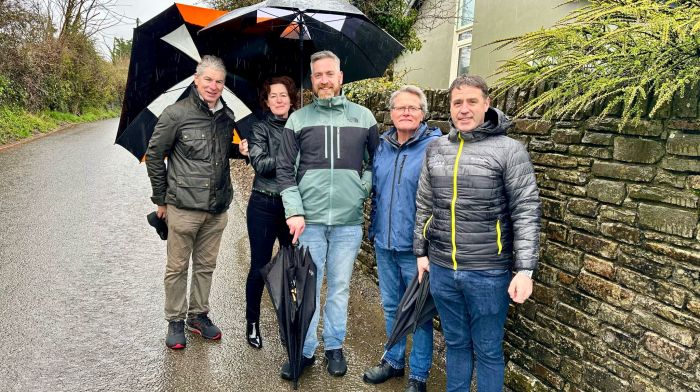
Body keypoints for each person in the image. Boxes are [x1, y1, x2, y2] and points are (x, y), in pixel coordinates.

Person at [413, 75, 541, 391]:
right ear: (450, 107)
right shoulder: (436, 149)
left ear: (487, 104)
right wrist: (421, 252)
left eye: (472, 101)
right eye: (458, 102)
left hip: (489, 272)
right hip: (443, 268)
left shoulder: (510, 150)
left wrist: (524, 269)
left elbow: (526, 211)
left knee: (487, 351)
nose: (465, 109)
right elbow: (425, 204)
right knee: (455, 344)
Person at [276, 50, 379, 379]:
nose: (324, 80)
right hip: (310, 222)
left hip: (348, 223)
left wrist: (361, 188)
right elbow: (284, 170)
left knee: (339, 287)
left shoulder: (364, 117)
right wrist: (293, 210)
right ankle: (304, 352)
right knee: (307, 288)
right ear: (312, 79)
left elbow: (377, 162)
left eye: (329, 74)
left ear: (340, 78)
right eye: (318, 75)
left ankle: (334, 346)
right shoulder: (298, 120)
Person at [145, 55, 246, 350]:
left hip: (217, 208)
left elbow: (221, 152)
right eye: (208, 80)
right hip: (183, 207)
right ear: (196, 79)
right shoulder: (175, 114)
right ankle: (175, 320)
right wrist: (161, 199)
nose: (214, 86)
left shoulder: (227, 117)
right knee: (177, 266)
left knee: (206, 265)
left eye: (219, 81)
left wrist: (241, 150)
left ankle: (198, 315)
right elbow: (154, 155)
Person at [363, 86, 441, 392]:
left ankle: (418, 375)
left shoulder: (436, 146)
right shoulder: (381, 147)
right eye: (400, 108)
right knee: (392, 306)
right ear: (391, 113)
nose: (406, 112)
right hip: (384, 242)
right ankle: (394, 361)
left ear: (423, 113)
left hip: (418, 248)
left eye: (413, 107)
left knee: (419, 313)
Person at [244, 76, 298, 349]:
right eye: (273, 95)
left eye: (283, 95)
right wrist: (290, 156)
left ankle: (288, 321)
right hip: (264, 204)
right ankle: (252, 322)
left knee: (291, 266)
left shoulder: (300, 125)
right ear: (266, 101)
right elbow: (262, 164)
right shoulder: (259, 128)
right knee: (260, 266)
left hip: (293, 206)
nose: (278, 99)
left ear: (291, 99)